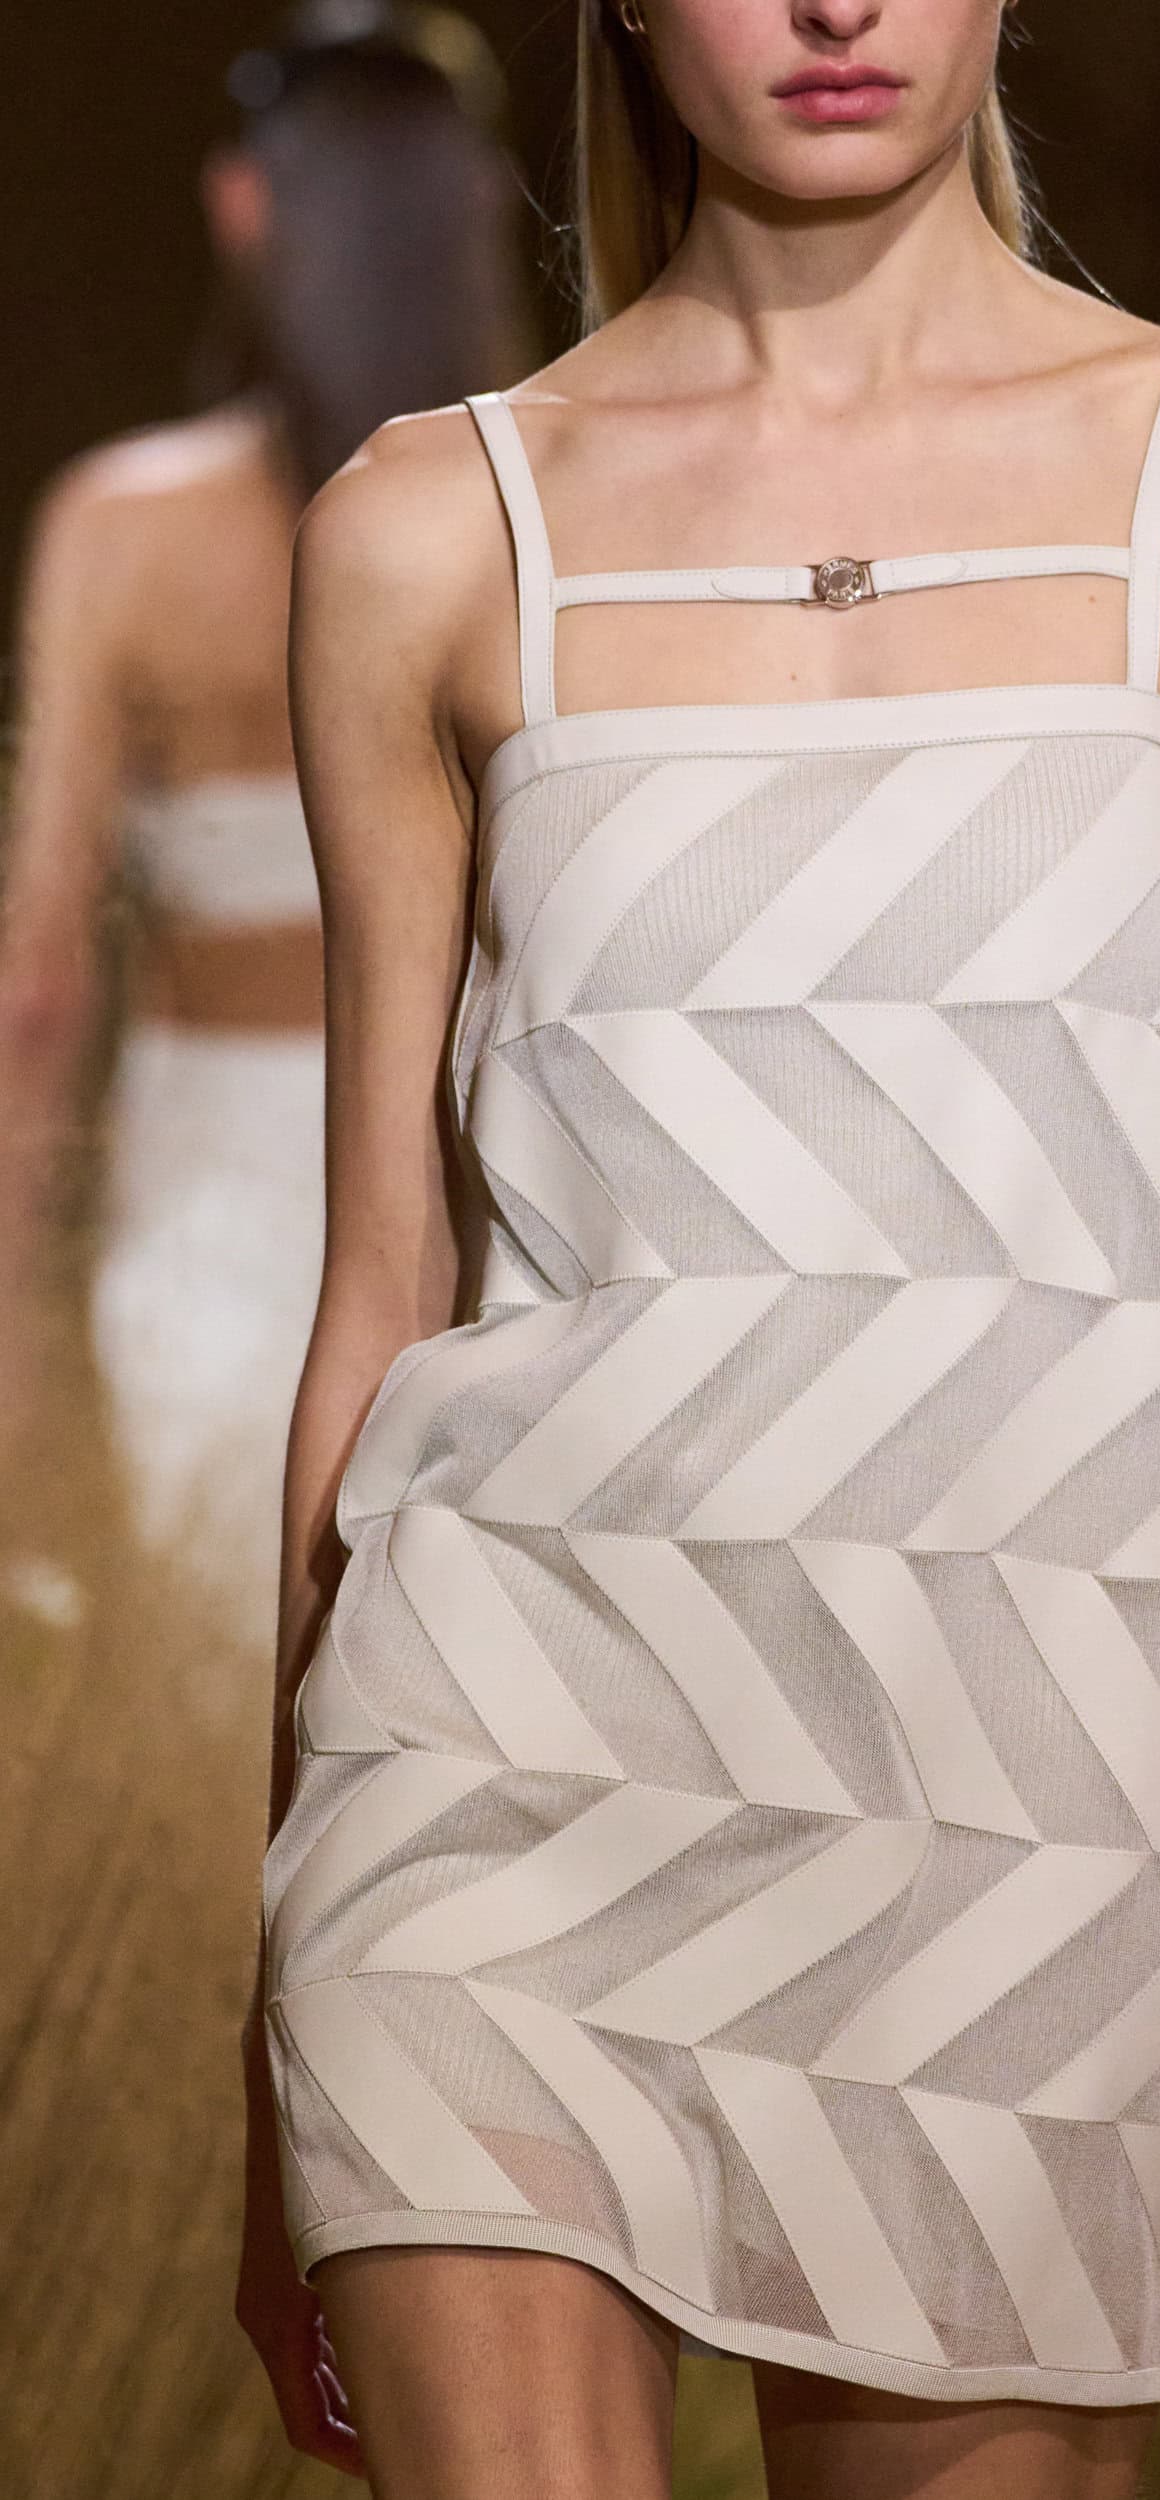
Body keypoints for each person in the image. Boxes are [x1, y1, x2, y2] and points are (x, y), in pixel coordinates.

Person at [240, 2, 1160, 2492]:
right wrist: (264, 2012)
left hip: (1021, 1802)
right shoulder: (430, 528)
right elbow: (378, 1299)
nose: (835, 6)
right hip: (494, 1758)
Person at [0, 0, 527, 1655]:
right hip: (487, 1177)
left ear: (243, 203)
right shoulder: (535, 519)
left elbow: (38, 981)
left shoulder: (124, 530)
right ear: (476, 203)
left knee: (219, 1669)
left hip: (210, 1196)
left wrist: (12, 1343)